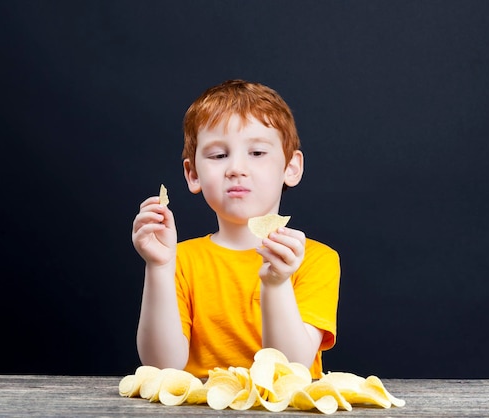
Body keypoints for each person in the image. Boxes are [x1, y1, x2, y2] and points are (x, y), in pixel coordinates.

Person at [131, 79, 340, 379]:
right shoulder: (179, 260)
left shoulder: (315, 260)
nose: (236, 168)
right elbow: (161, 367)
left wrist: (277, 284)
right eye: (218, 155)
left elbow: (291, 370)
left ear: (291, 168)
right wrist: (159, 267)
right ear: (193, 174)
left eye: (256, 153)